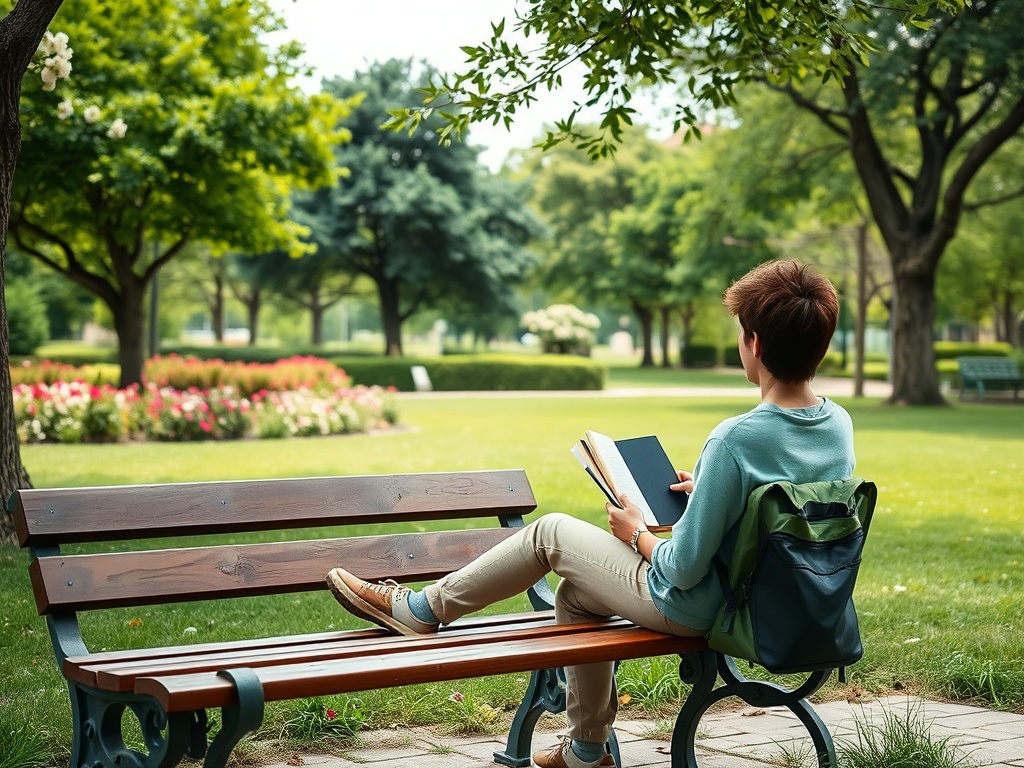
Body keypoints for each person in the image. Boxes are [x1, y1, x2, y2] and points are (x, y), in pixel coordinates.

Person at [326, 259, 855, 768]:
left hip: (704, 606)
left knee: (552, 533)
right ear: (821, 345)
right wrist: (712, 498)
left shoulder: (736, 438)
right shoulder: (838, 426)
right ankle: (586, 752)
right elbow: (785, 514)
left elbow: (682, 569)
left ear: (754, 343)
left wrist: (636, 534)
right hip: (780, 605)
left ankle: (420, 610)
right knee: (576, 597)